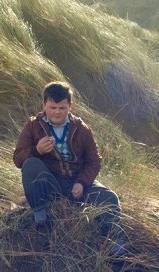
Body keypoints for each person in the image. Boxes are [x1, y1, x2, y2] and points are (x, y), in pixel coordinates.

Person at [13, 81, 128, 256]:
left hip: (77, 184)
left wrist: (82, 182)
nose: (57, 112)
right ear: (43, 105)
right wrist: (37, 150)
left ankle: (116, 247)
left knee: (110, 198)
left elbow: (94, 161)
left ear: (70, 106)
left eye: (62, 107)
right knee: (31, 164)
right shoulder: (33, 126)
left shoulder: (82, 129)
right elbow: (18, 159)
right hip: (51, 184)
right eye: (52, 107)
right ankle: (41, 217)